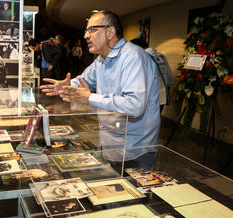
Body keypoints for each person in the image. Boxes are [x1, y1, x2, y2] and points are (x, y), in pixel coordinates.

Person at [40, 10, 160, 159]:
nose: (86, 36)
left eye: (92, 30)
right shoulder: (101, 60)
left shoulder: (133, 57)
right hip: (109, 142)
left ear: (110, 32)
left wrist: (90, 98)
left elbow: (135, 105)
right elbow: (85, 80)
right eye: (86, 31)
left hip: (135, 148)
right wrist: (67, 85)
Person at [130, 38, 174, 113]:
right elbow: (170, 77)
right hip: (161, 96)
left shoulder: (142, 57)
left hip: (147, 97)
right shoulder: (161, 56)